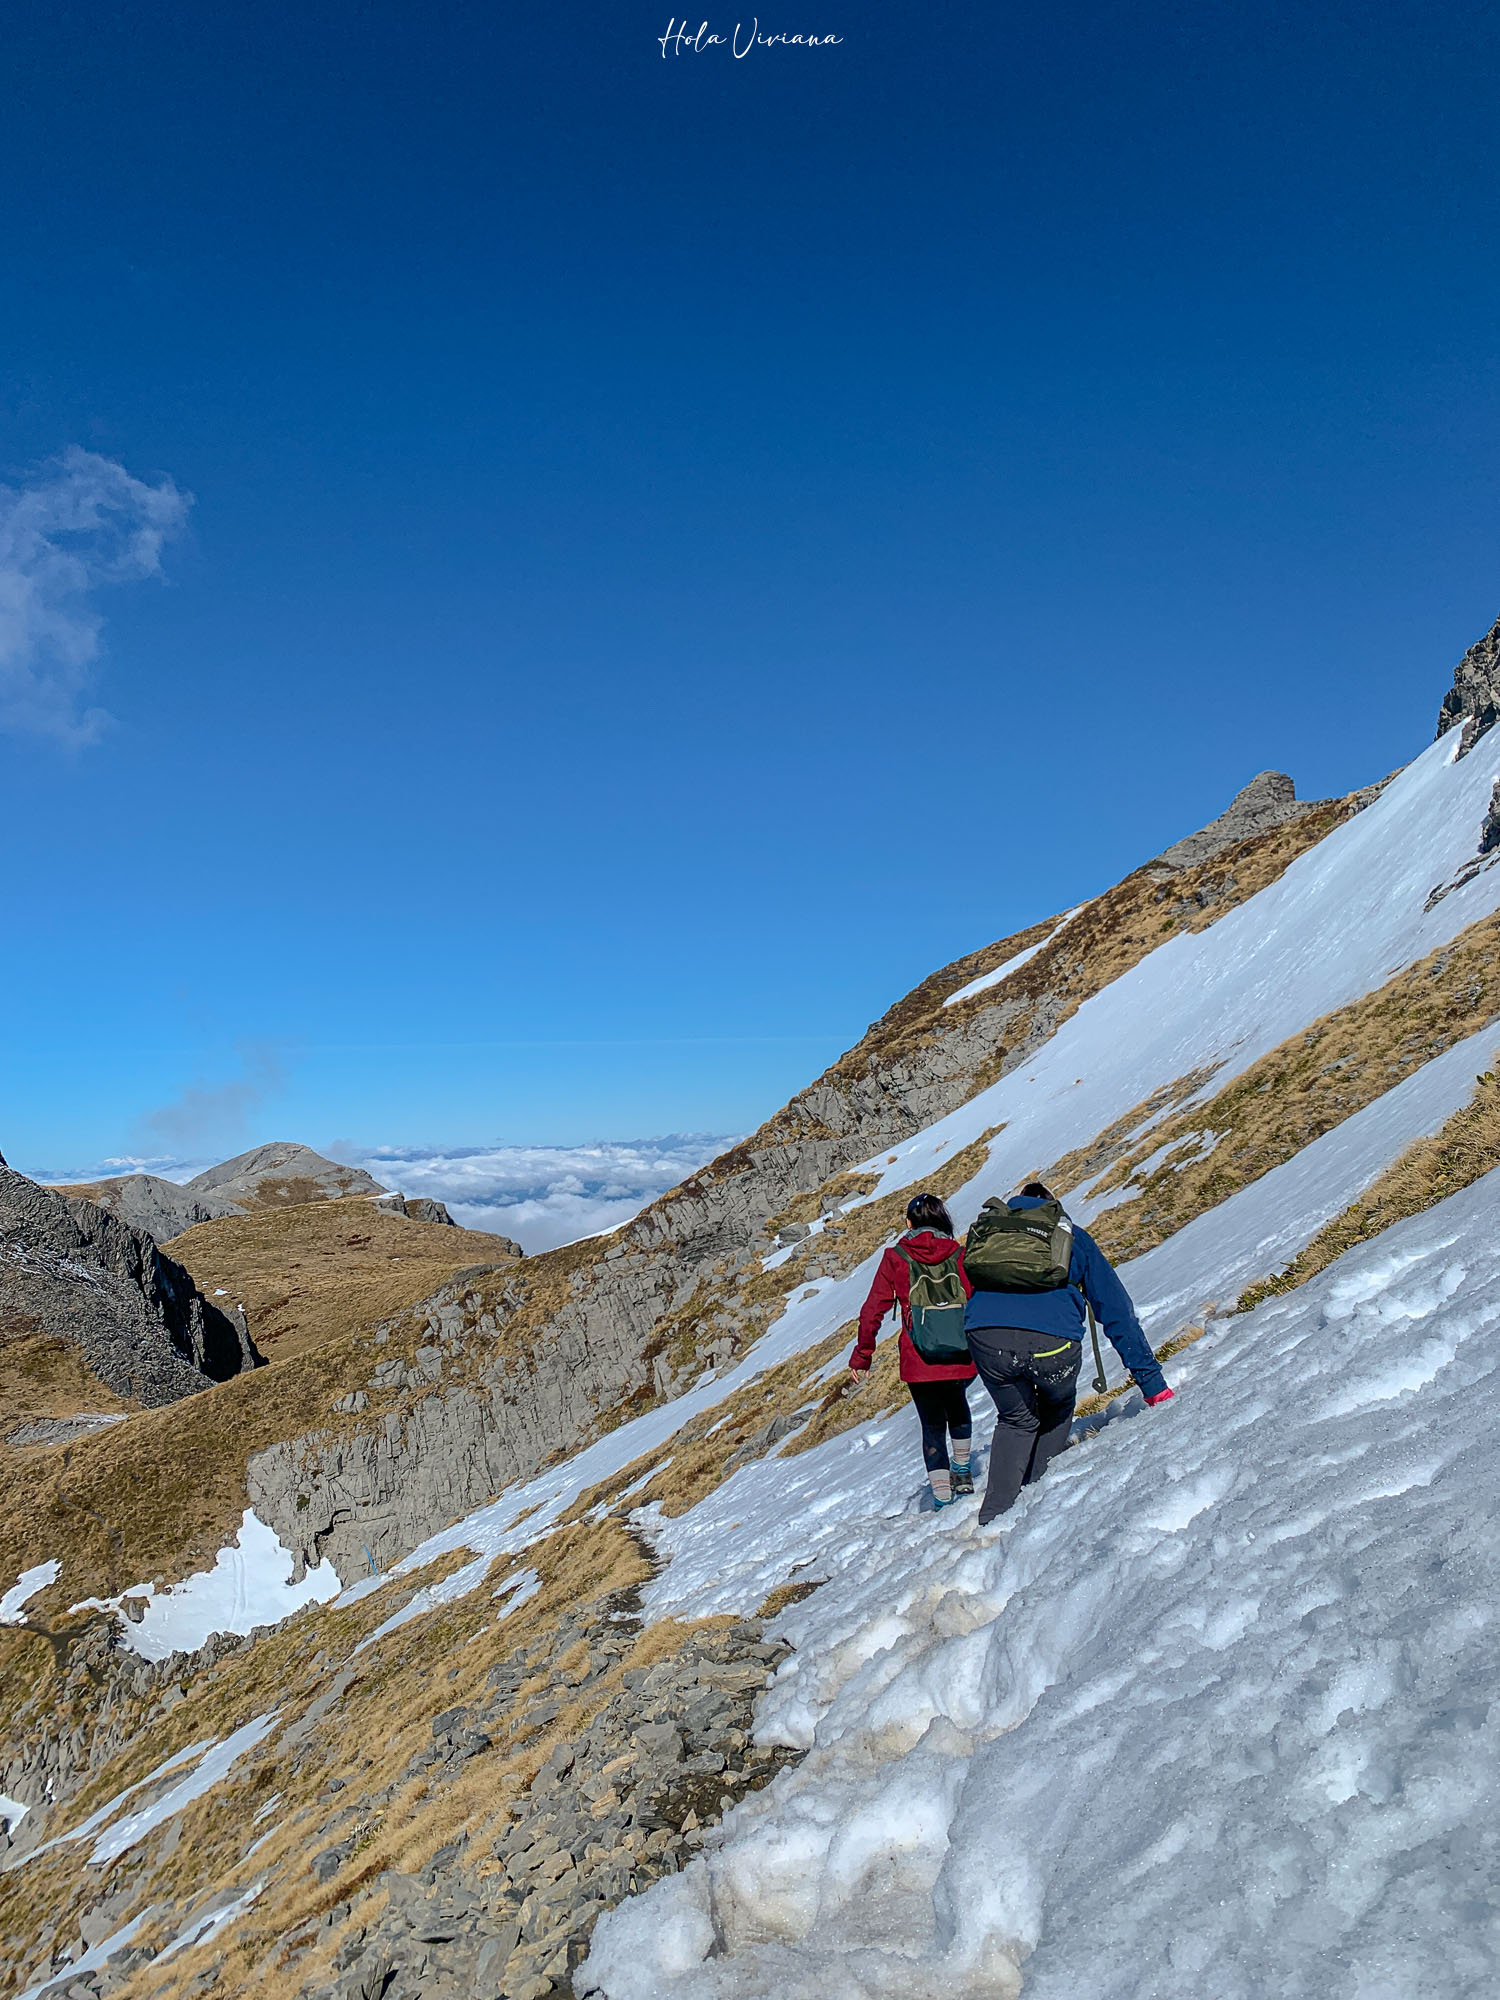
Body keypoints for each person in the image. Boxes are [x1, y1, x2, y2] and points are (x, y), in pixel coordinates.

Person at [965, 1180, 1173, 1525]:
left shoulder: (990, 1235)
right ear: (1051, 1207)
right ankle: (1036, 1501)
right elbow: (1115, 1310)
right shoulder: (1070, 1235)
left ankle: (993, 1519)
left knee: (1016, 1419)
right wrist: (1153, 1385)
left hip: (986, 1341)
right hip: (1053, 1344)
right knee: (1057, 1407)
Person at [848, 1193, 976, 1508]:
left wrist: (863, 1355)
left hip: (919, 1358)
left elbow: (872, 1311)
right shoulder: (959, 1254)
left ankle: (943, 1500)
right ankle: (961, 1469)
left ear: (908, 1223)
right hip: (961, 1351)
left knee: (932, 1424)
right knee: (957, 1406)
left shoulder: (896, 1258)